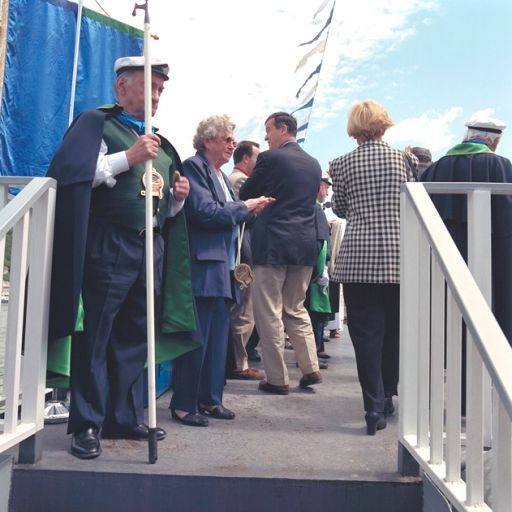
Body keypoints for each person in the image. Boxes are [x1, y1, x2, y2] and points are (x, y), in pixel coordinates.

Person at [47, 56, 197, 459]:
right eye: (150, 86)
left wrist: (178, 202)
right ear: (121, 87)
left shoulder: (164, 147)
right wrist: (126, 158)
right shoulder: (97, 124)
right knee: (95, 335)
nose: (157, 94)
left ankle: (122, 415)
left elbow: (160, 209)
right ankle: (87, 423)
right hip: (107, 243)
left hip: (150, 248)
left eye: (162, 89)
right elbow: (74, 176)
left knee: (134, 337)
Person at [170, 116, 273, 426]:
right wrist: (245, 206)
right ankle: (184, 404)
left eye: (232, 138)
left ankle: (211, 399)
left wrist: (252, 210)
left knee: (217, 342)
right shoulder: (193, 167)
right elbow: (203, 212)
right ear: (207, 141)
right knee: (197, 339)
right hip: (203, 267)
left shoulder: (222, 177)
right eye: (226, 138)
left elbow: (228, 216)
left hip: (224, 268)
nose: (232, 144)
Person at [329, 100, 417, 435]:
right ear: (383, 122)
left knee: (365, 336)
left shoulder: (341, 163)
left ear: (354, 126)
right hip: (398, 258)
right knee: (394, 332)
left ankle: (373, 407)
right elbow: (412, 202)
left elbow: (341, 208)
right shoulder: (403, 159)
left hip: (358, 259)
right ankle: (389, 395)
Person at [239, 112, 322, 395]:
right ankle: (310, 367)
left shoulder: (270, 159)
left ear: (282, 129)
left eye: (268, 131)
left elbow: (247, 192)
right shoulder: (313, 163)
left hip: (273, 244)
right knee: (296, 307)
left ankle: (277, 378)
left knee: (269, 311)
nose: (266, 137)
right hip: (305, 245)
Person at [421, 115, 512, 343]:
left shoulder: (437, 168)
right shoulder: (502, 166)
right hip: (495, 256)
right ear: (493, 141)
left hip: (448, 255)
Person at [227, 141, 264, 380]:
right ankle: (238, 364)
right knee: (243, 311)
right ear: (245, 159)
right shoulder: (240, 181)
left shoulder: (230, 179)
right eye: (257, 158)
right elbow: (241, 217)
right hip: (244, 253)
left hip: (241, 251)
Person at [306, 174, 332, 360]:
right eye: (326, 188)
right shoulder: (316, 210)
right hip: (315, 271)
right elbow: (322, 244)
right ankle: (312, 353)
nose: (328, 192)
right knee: (314, 314)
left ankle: (317, 349)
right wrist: (321, 269)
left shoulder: (313, 208)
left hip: (311, 268)